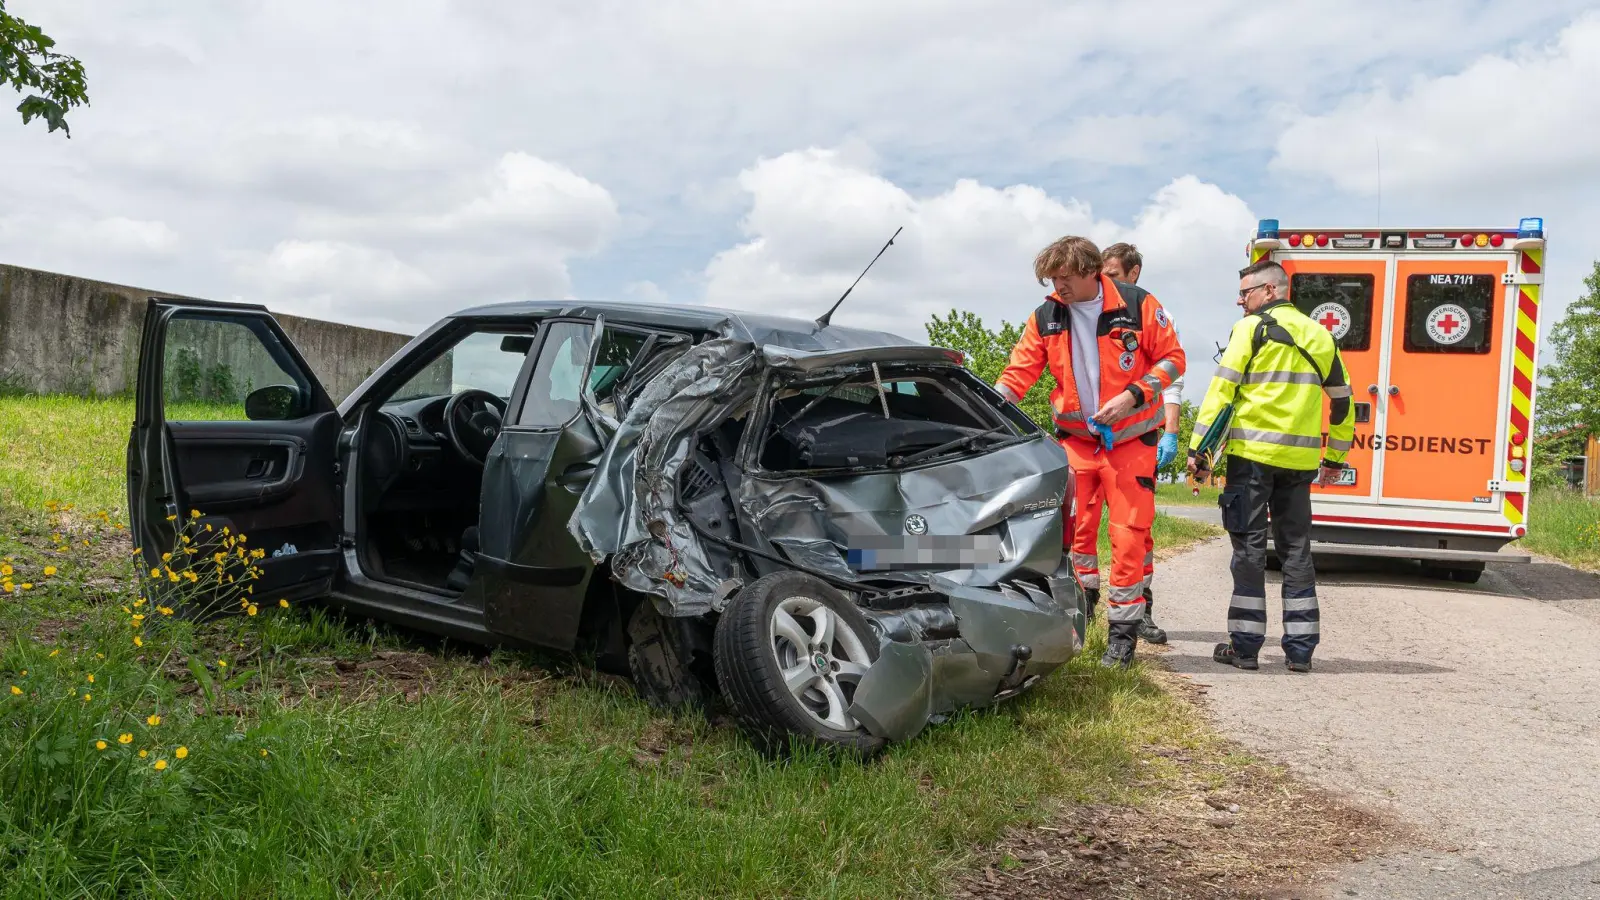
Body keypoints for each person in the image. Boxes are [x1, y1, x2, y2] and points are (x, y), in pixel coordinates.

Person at [996, 236, 1186, 667]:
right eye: (1051, 279)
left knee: (1128, 535)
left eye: (1064, 278)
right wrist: (990, 403)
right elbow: (1018, 373)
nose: (1057, 287)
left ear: (1090, 271)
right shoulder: (1046, 317)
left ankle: (1123, 635)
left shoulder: (1137, 304)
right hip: (1077, 444)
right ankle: (1081, 612)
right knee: (1075, 535)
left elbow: (1173, 359)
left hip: (1131, 443)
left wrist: (1134, 395)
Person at [1187, 259, 1354, 673]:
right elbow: (1344, 402)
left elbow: (1221, 392)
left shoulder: (1250, 329)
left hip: (1252, 460)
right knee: (1296, 550)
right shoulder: (1321, 335)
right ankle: (1301, 651)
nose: (1239, 301)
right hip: (1299, 463)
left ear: (1270, 291)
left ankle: (1245, 650)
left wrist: (1199, 452)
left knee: (1249, 550)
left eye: (1245, 293)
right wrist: (1335, 457)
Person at [1101, 243, 1180, 644]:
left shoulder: (1148, 312)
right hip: (1092, 439)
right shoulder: (1092, 311)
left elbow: (1171, 379)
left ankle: (1141, 610)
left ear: (1133, 273)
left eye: (1113, 274)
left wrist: (1171, 431)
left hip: (1136, 435)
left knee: (1137, 530)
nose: (1106, 281)